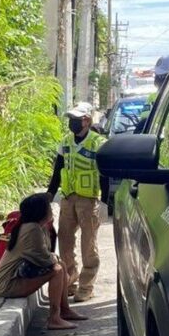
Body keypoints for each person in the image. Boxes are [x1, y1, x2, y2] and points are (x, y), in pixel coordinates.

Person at [0, 193, 86, 329]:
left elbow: (46, 255)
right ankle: (54, 318)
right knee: (57, 270)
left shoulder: (38, 227)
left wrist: (55, 258)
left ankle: (65, 310)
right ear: (40, 211)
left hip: (18, 277)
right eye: (48, 207)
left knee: (61, 265)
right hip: (8, 285)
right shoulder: (32, 229)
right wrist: (55, 258)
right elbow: (45, 259)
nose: (51, 210)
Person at [47, 102, 108, 302]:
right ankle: (69, 282)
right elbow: (58, 170)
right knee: (65, 241)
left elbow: (105, 174)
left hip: (89, 201)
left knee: (88, 245)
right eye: (70, 119)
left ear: (87, 121)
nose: (72, 123)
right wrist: (50, 193)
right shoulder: (65, 142)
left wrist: (106, 201)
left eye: (76, 119)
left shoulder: (98, 143)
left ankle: (86, 286)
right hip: (68, 198)